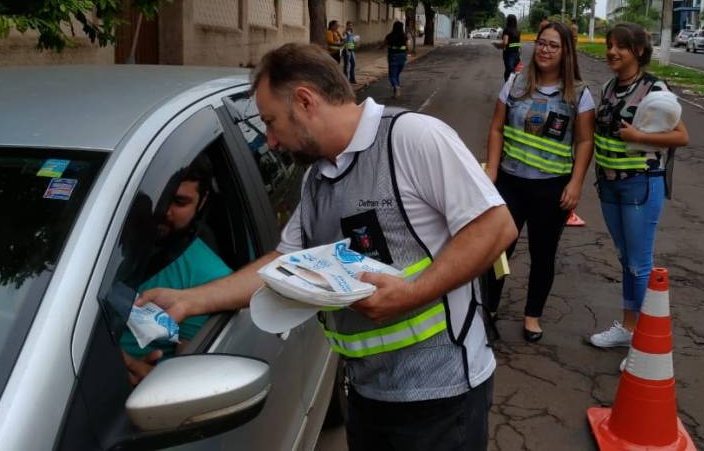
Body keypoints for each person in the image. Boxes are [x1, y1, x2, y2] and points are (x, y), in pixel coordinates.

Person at [136, 43, 517, 450]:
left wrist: (411, 294)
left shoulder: (410, 138)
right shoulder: (317, 179)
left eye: (271, 121)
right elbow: (282, 263)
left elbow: (496, 227)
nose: (271, 140)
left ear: (305, 101)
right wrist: (189, 302)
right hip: (368, 393)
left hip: (441, 396)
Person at [484, 21, 595, 342]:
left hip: (552, 187)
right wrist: (492, 170)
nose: (545, 50)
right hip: (510, 183)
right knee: (497, 250)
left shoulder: (579, 95)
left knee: (543, 253)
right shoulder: (514, 84)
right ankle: (488, 308)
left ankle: (532, 315)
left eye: (554, 45)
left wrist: (575, 184)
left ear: (566, 52)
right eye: (542, 43)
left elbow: (585, 142)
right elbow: (496, 128)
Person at [588, 23, 689, 352]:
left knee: (639, 262)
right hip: (610, 184)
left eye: (622, 47)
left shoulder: (655, 89)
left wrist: (639, 137)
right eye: (610, 45)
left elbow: (681, 136)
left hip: (640, 184)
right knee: (625, 257)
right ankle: (629, 328)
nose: (612, 52)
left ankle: (645, 344)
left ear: (639, 52)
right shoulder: (607, 87)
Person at [120, 154, 233, 385]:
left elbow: (187, 385)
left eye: (179, 202)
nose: (163, 211)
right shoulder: (97, 242)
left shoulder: (208, 281)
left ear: (202, 201)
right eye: (157, 197)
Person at [382, 20, 410, 97]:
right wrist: (406, 53)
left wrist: (380, 47)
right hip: (402, 57)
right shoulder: (405, 36)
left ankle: (396, 87)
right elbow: (408, 47)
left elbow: (384, 44)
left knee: (392, 75)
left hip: (393, 57)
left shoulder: (389, 36)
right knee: (397, 74)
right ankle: (395, 92)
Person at [498, 14, 522, 83]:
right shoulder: (518, 31)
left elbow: (505, 42)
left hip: (508, 54)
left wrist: (497, 44)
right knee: (514, 72)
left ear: (507, 21)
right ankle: (513, 88)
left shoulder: (507, 30)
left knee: (509, 72)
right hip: (516, 54)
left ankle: (508, 90)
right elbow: (519, 44)